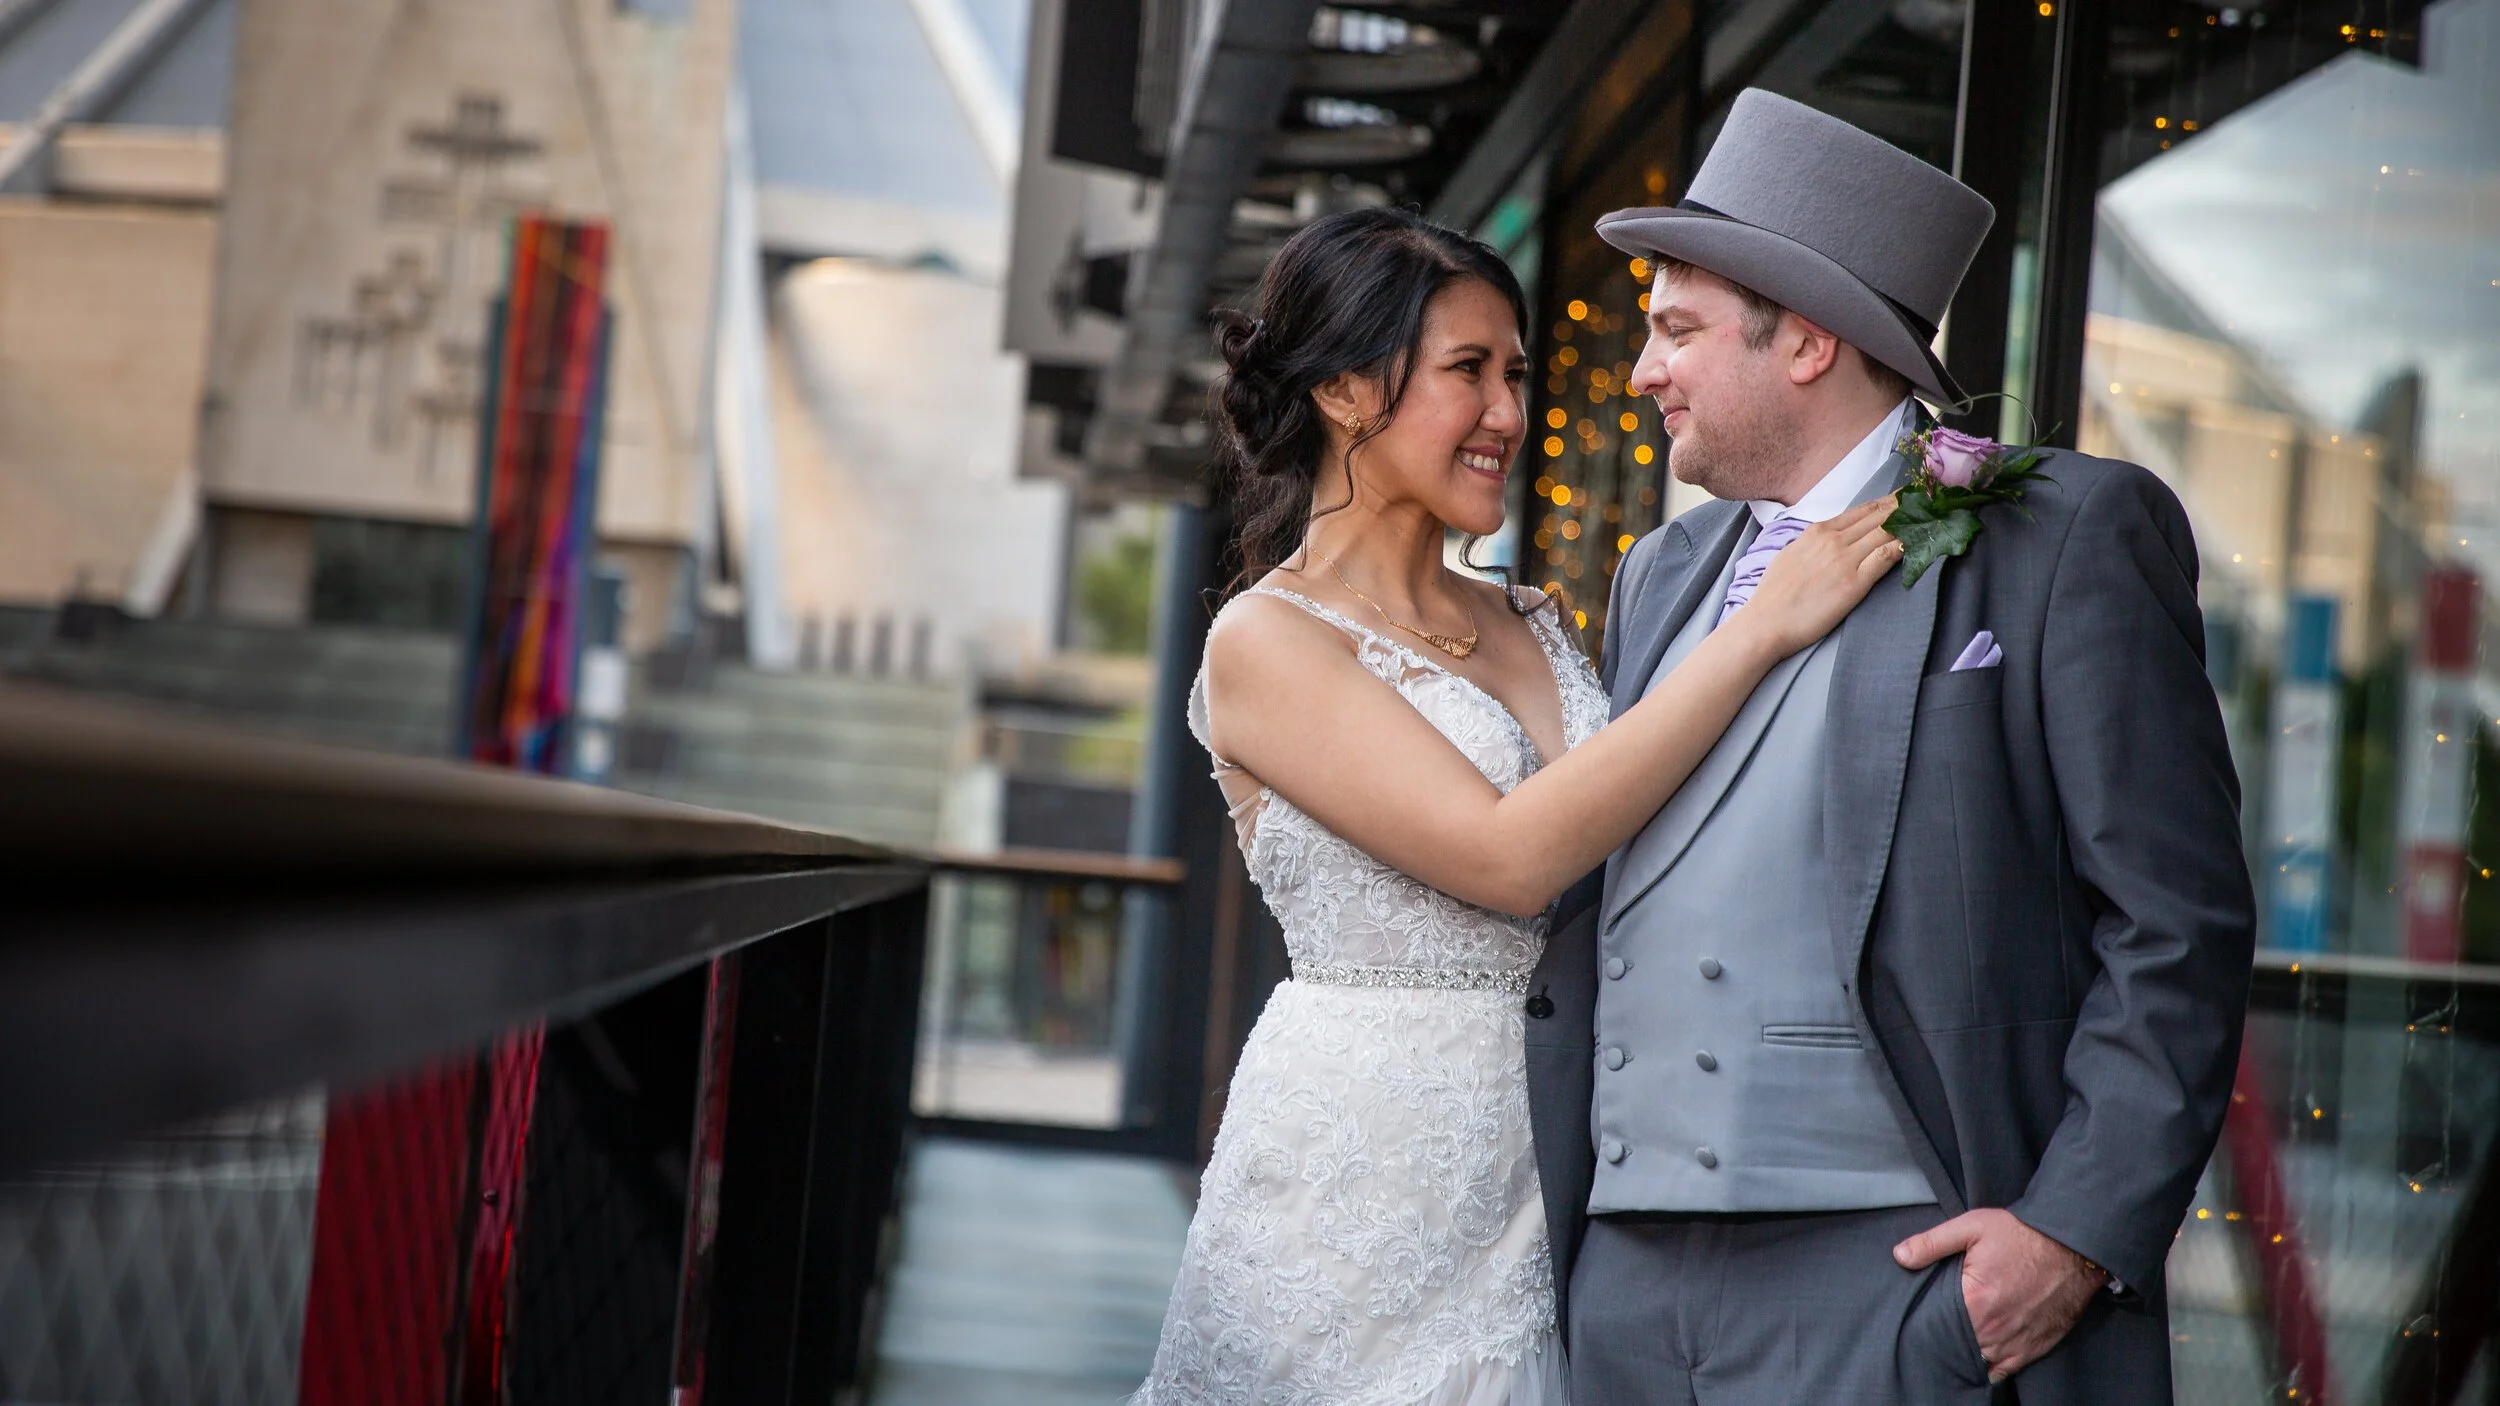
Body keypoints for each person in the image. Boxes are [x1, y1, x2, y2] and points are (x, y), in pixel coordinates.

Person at [1525, 89, 2257, 1405]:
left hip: (1894, 1276)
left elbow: (2176, 924)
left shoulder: (2066, 539)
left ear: (1805, 342)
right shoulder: (1659, 572)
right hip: (1624, 1283)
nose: (1644, 372)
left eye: (1676, 330)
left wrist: (2073, 1233)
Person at [1133, 206, 1903, 1403]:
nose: (1508, 412)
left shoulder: (1531, 616)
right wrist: (1763, 626)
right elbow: (1507, 858)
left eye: (1515, 372)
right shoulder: (1265, 639)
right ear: (1343, 391)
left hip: (1556, 1171)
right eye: (1467, 371)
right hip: (1366, 1179)